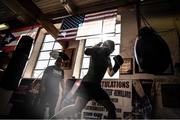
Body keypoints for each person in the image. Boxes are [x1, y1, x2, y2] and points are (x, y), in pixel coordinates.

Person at [54, 40, 124, 119]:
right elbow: (86, 51)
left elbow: (110, 73)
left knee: (111, 108)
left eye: (112, 50)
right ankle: (54, 118)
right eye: (111, 49)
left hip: (96, 87)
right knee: (77, 108)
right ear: (107, 47)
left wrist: (117, 66)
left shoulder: (108, 59)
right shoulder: (97, 51)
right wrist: (96, 46)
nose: (111, 51)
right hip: (87, 84)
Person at [38, 50, 69, 118]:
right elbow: (44, 78)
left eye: (61, 62)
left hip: (55, 92)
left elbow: (62, 81)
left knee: (52, 108)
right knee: (42, 106)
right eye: (59, 61)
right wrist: (42, 87)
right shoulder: (49, 68)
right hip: (47, 90)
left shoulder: (61, 71)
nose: (60, 63)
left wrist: (64, 89)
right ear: (56, 61)